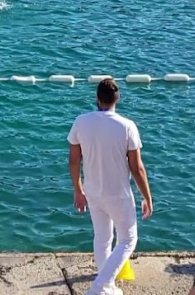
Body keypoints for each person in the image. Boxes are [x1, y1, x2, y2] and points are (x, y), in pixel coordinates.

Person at [67, 78, 153, 295]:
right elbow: (137, 168)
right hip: (119, 195)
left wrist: (77, 190)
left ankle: (107, 287)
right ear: (118, 98)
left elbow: (74, 161)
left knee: (103, 238)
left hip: (93, 192)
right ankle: (100, 287)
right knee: (128, 239)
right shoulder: (127, 127)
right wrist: (147, 197)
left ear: (97, 99)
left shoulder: (81, 122)